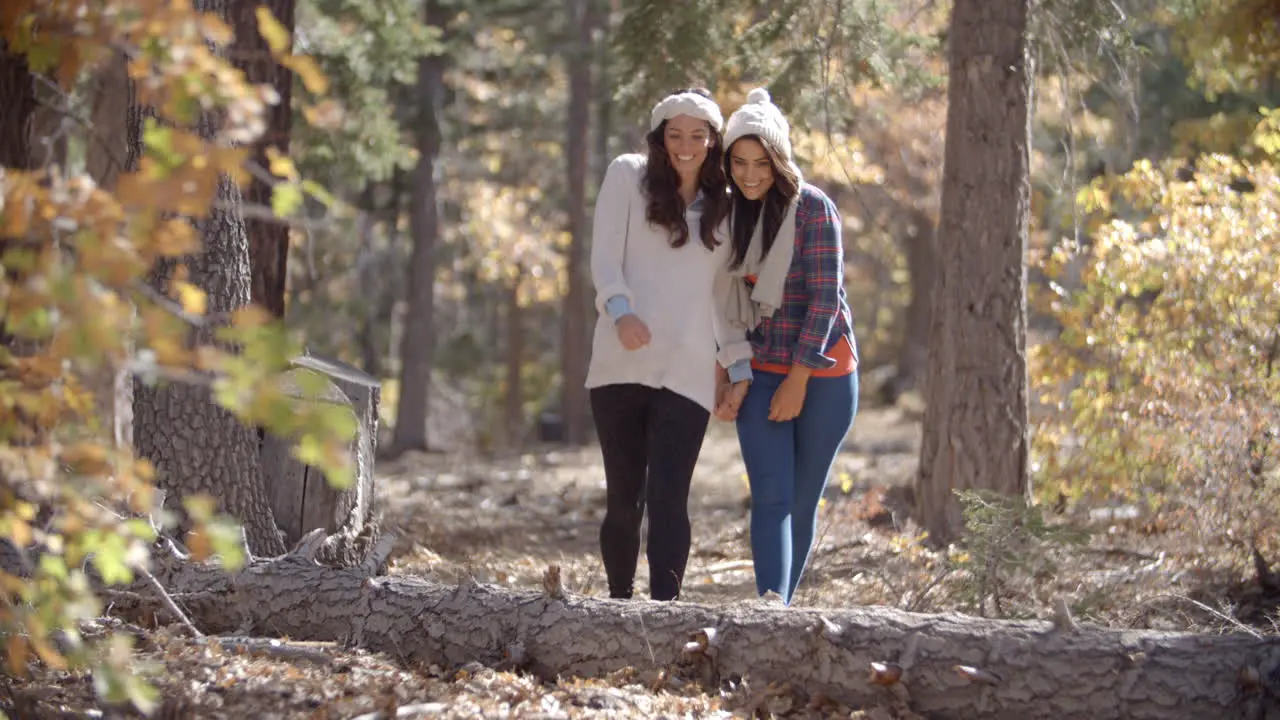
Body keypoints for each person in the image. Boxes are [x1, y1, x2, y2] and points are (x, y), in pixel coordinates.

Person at [585, 88, 753, 602]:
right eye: (675, 135)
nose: (686, 145)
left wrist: (736, 365)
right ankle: (618, 604)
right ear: (661, 139)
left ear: (712, 142)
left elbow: (724, 297)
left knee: (670, 497)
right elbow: (604, 257)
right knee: (624, 500)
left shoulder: (725, 207)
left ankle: (665, 612)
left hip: (688, 370)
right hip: (620, 365)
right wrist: (620, 310)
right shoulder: (626, 176)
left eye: (697, 136)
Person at [713, 88, 859, 605]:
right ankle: (771, 609)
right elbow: (723, 300)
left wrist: (799, 378)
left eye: (762, 163)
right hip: (759, 368)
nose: (750, 175)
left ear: (780, 160)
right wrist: (729, 369)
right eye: (739, 162)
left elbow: (826, 301)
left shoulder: (814, 209)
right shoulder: (729, 214)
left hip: (824, 374)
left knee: (801, 499)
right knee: (770, 498)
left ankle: (783, 613)